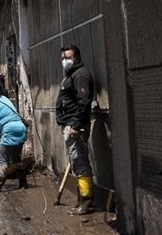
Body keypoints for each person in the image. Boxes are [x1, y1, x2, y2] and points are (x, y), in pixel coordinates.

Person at [56, 45, 95, 215]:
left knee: (80, 162)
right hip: (69, 125)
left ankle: (86, 203)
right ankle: (81, 200)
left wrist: (77, 125)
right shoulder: (71, 75)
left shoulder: (81, 75)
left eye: (68, 57)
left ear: (77, 58)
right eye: (63, 57)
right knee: (76, 162)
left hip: (75, 127)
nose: (65, 60)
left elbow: (83, 101)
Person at [0, 74, 28, 191]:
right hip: (21, 128)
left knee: (2, 161)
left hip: (9, 130)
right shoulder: (4, 99)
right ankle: (23, 183)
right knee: (16, 159)